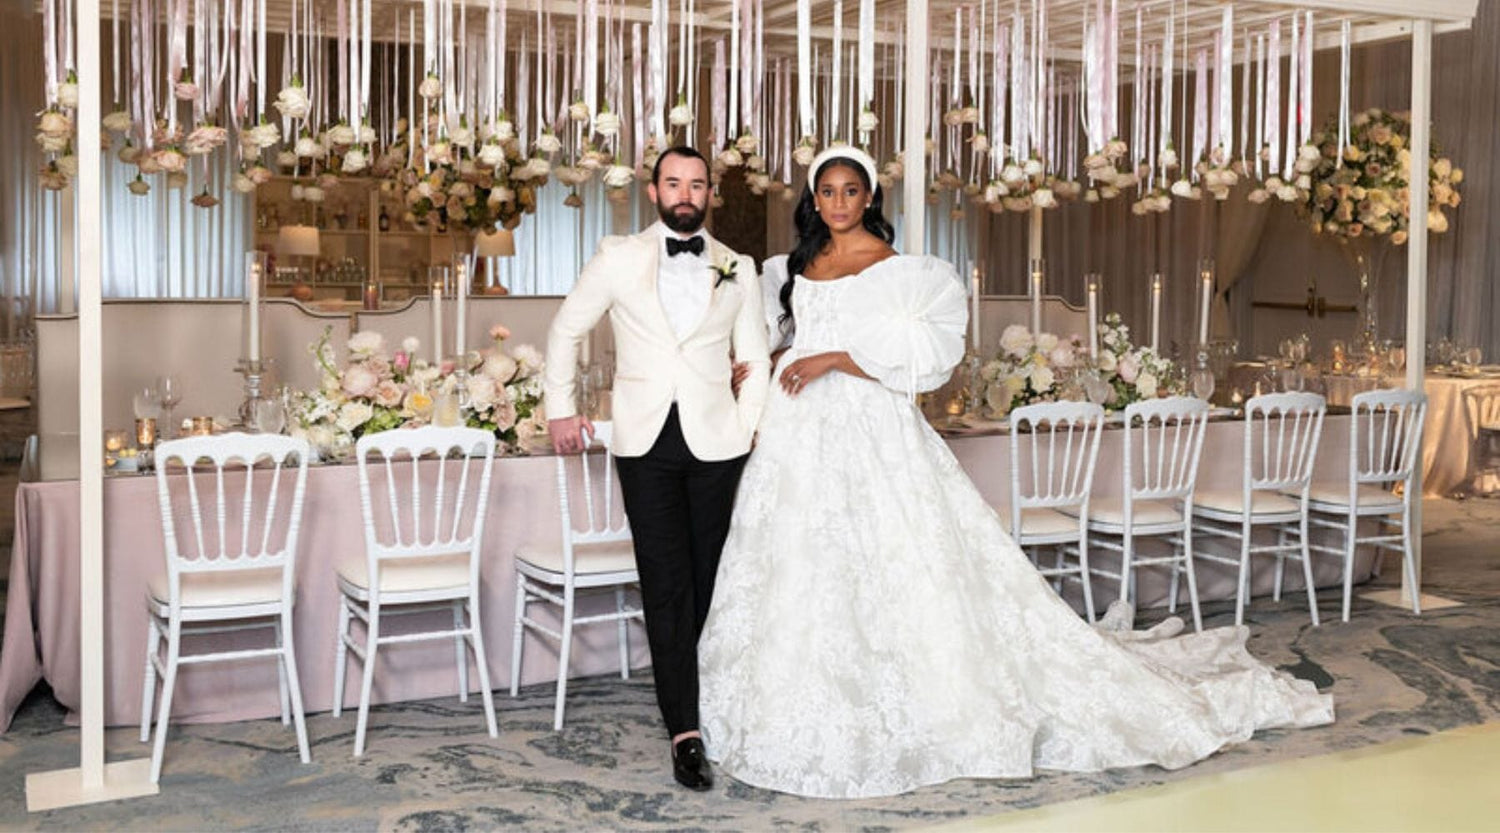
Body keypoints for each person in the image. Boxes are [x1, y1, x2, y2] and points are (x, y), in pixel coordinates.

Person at [696, 145, 1334, 799]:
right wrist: (763, 360)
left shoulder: (894, 266)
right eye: (827, 192)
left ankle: (917, 690)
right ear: (814, 199)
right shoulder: (799, 263)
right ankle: (805, 692)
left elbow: (911, 357)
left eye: (850, 191)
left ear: (869, 199)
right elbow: (792, 333)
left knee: (892, 553)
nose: (837, 203)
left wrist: (831, 358)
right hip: (800, 427)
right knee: (803, 556)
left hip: (867, 421)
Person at [544, 146, 771, 791]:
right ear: (653, 191)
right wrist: (561, 409)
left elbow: (753, 356)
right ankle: (685, 732)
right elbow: (565, 331)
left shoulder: (737, 266)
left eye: (697, 184)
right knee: (666, 583)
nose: (686, 193)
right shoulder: (620, 256)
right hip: (644, 443)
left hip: (718, 444)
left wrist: (748, 426)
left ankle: (707, 702)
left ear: (709, 194)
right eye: (674, 182)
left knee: (710, 580)